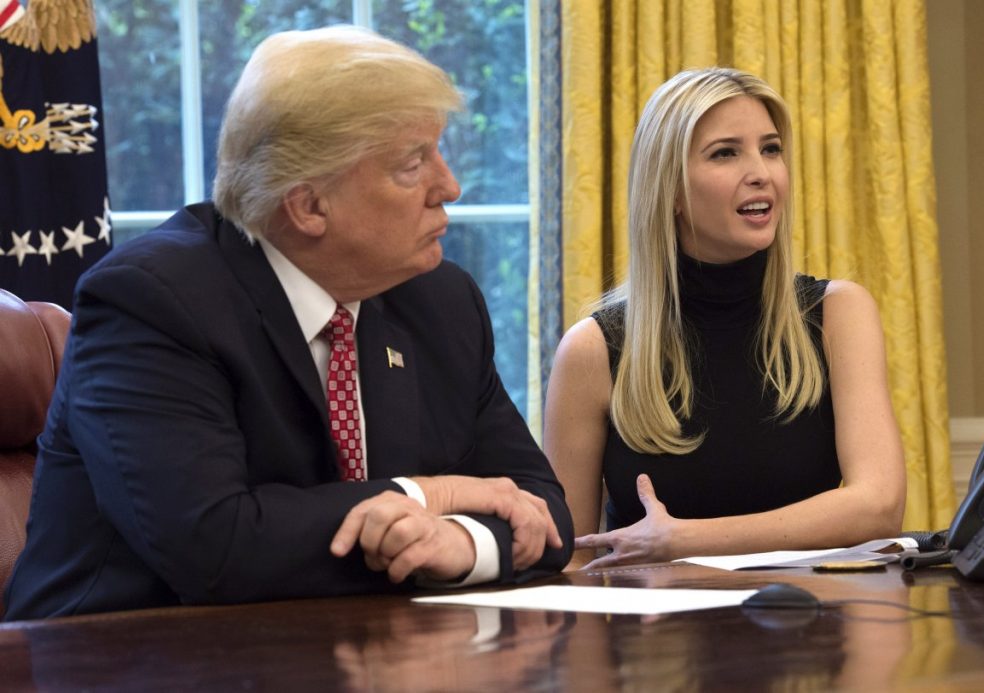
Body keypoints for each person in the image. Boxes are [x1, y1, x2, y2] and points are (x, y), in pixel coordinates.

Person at [3, 25, 573, 620]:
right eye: (412, 164)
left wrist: (461, 543)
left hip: (353, 654)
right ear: (307, 206)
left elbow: (543, 509)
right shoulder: (152, 302)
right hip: (117, 660)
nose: (449, 186)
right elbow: (216, 548)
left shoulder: (439, 301)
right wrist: (436, 495)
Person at [544, 67, 906, 571]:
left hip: (810, 629)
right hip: (654, 642)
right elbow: (568, 561)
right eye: (726, 153)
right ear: (668, 188)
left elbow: (879, 507)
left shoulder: (837, 314)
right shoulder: (594, 350)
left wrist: (682, 540)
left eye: (771, 148)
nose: (761, 172)